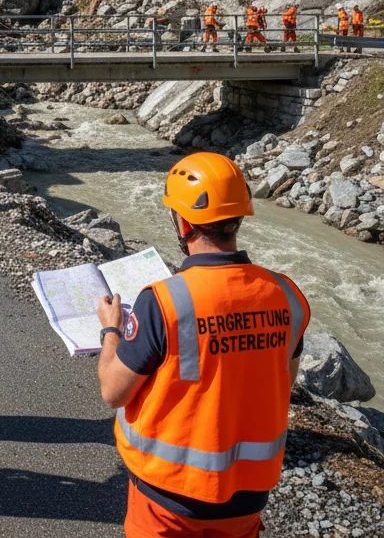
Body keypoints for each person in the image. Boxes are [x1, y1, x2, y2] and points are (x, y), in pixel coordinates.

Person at [96, 152, 309, 538]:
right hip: (248, 497)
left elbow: (114, 392)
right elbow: (283, 382)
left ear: (183, 221)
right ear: (239, 216)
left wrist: (112, 330)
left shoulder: (164, 301)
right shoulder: (288, 296)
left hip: (167, 499)